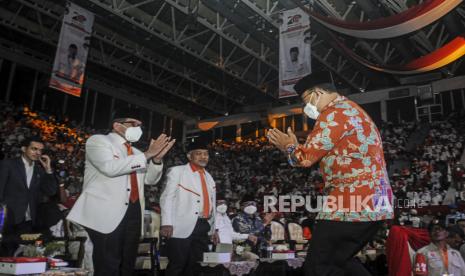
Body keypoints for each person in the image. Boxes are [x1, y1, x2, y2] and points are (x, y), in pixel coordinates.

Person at [267, 71, 394, 276]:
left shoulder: (334, 113)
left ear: (317, 93)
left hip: (351, 202)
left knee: (319, 266)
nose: (307, 107)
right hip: (376, 201)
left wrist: (288, 147)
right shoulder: (353, 109)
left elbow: (305, 158)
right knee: (338, 262)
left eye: (306, 100)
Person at [67, 108, 175, 276]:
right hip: (105, 211)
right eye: (133, 123)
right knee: (108, 263)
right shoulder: (99, 141)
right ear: (117, 125)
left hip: (133, 211)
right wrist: (148, 154)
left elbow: (150, 180)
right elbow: (109, 168)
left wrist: (156, 159)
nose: (138, 128)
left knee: (127, 263)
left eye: (140, 125)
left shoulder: (138, 153)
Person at [160, 140, 218, 276]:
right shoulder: (177, 171)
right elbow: (166, 197)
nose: (203, 157)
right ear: (189, 156)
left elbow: (211, 205)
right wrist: (166, 223)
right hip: (180, 226)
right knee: (177, 265)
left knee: (196, 266)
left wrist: (213, 229)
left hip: (203, 225)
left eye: (206, 154)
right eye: (199, 154)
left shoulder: (209, 177)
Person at [0, 136, 57, 256]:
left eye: (40, 150)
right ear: (23, 148)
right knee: (5, 256)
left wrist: (48, 170)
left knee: (20, 259)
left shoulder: (39, 171)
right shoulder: (8, 165)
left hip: (27, 222)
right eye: (34, 149)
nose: (37, 153)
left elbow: (51, 191)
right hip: (7, 220)